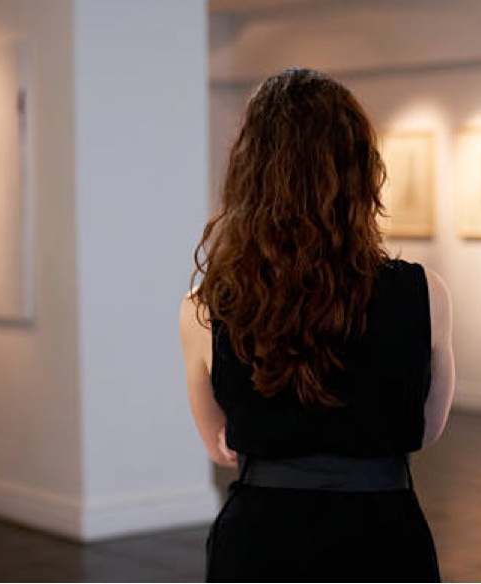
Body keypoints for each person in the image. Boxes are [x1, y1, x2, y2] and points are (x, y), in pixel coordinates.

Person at [178, 67, 455, 582]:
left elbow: (220, 447)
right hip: (382, 536)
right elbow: (427, 428)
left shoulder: (205, 305)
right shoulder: (425, 293)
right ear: (362, 170)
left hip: (260, 542)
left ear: (248, 174)